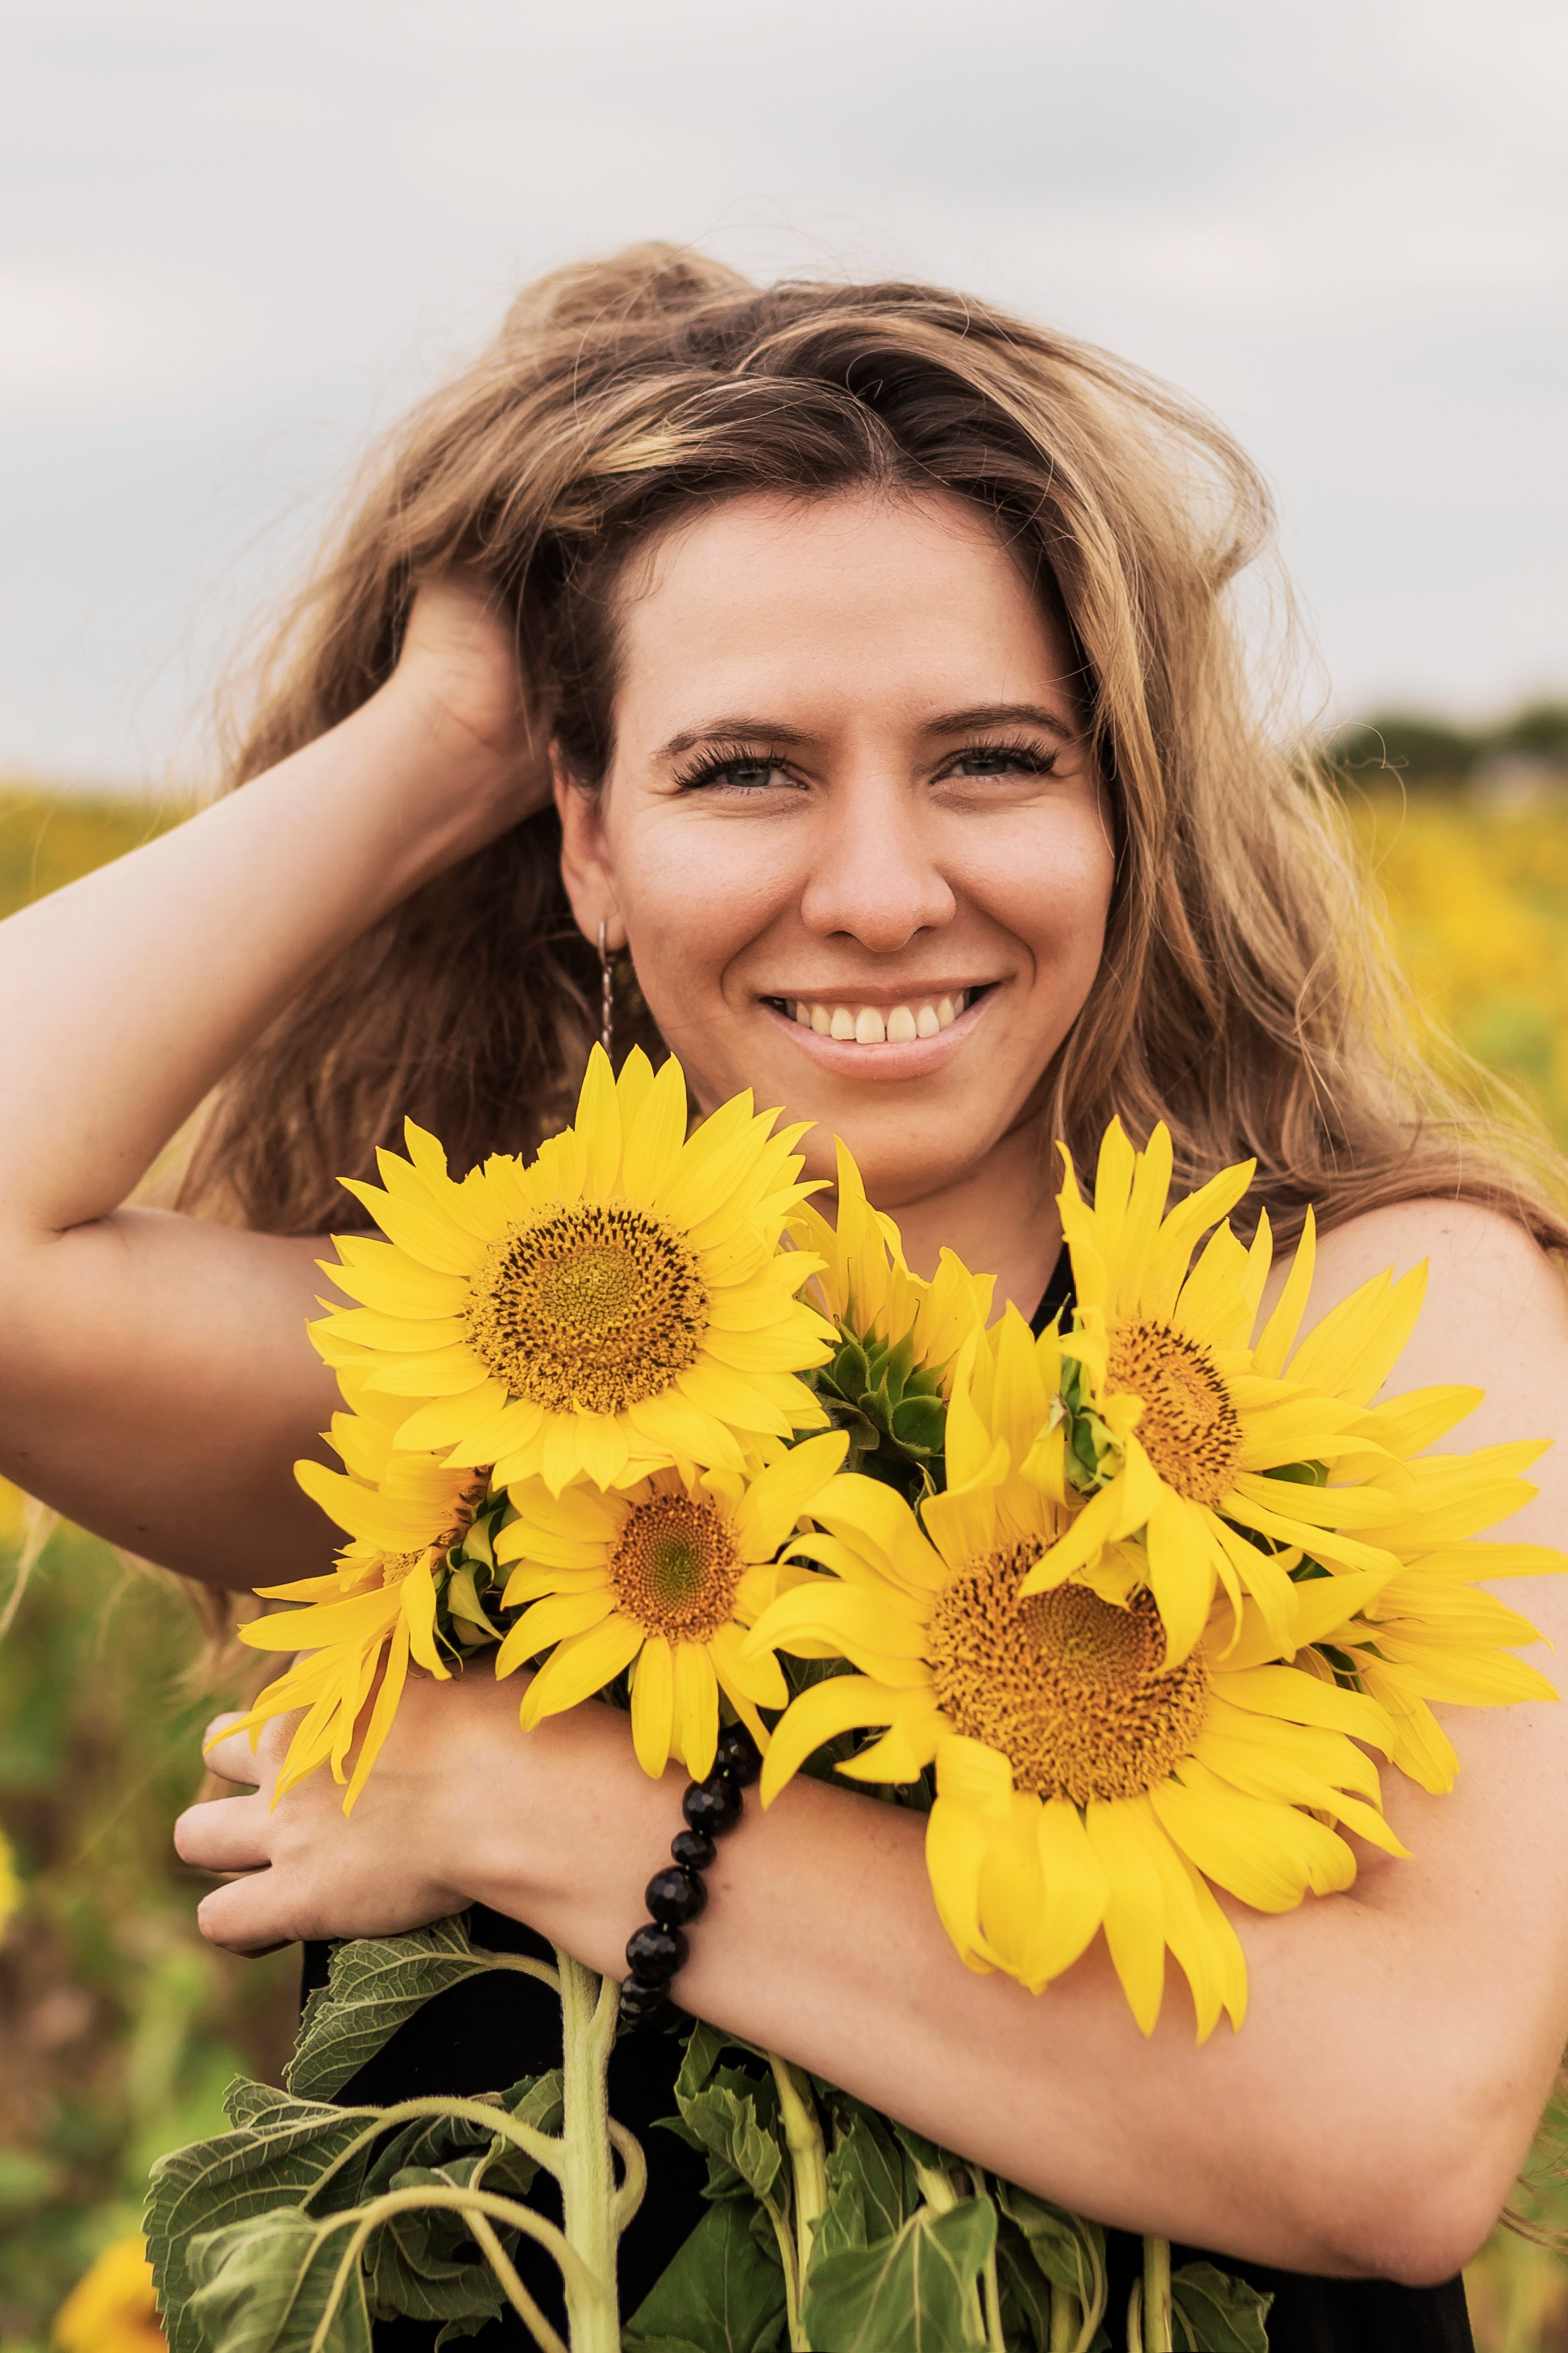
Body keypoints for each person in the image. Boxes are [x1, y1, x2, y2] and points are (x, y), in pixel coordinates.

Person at [3, 246, 1567, 2353]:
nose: (882, 889)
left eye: (993, 759)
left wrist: (560, 1809)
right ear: (587, 837)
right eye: (743, 769)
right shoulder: (502, 1381)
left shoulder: (1380, 1307)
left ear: (1125, 807)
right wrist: (446, 729)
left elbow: (1397, 2131)